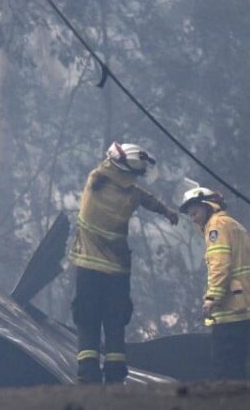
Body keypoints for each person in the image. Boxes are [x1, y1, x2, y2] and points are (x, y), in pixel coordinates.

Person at [69, 142, 179, 384]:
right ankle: (115, 375)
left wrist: (118, 154)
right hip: (117, 274)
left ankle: (88, 374)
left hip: (88, 269)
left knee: (87, 320)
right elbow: (146, 198)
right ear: (128, 174)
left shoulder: (94, 182)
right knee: (114, 323)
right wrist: (166, 211)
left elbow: (108, 167)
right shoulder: (130, 196)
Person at [179, 180, 250, 380]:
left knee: (222, 365)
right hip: (246, 306)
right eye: (189, 215)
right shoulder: (235, 225)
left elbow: (220, 264)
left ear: (208, 206)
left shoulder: (215, 226)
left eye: (195, 213)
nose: (192, 219)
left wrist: (212, 298)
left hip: (230, 309)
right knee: (237, 364)